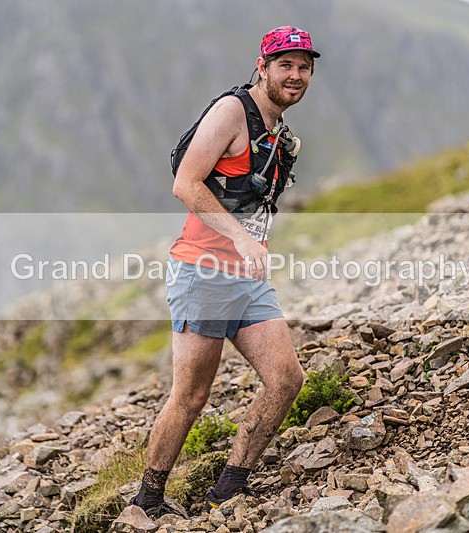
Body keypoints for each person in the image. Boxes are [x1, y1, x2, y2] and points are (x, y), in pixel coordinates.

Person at [131, 26, 320, 519]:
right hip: (202, 270)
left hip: (247, 280)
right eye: (285, 65)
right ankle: (148, 500)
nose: (295, 75)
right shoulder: (232, 112)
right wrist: (240, 237)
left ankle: (228, 491)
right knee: (192, 395)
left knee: (286, 380)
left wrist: (252, 246)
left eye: (304, 67)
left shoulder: (280, 131)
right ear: (262, 67)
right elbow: (185, 183)